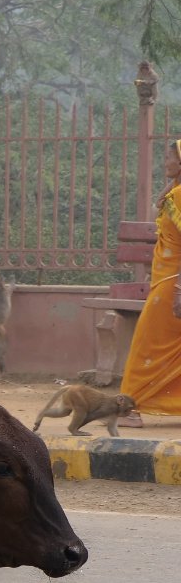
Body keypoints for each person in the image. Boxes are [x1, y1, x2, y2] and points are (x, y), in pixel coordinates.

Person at [118, 138, 181, 428]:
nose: (165, 162)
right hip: (166, 279)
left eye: (170, 157)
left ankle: (129, 405)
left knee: (147, 343)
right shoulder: (174, 193)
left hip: (173, 283)